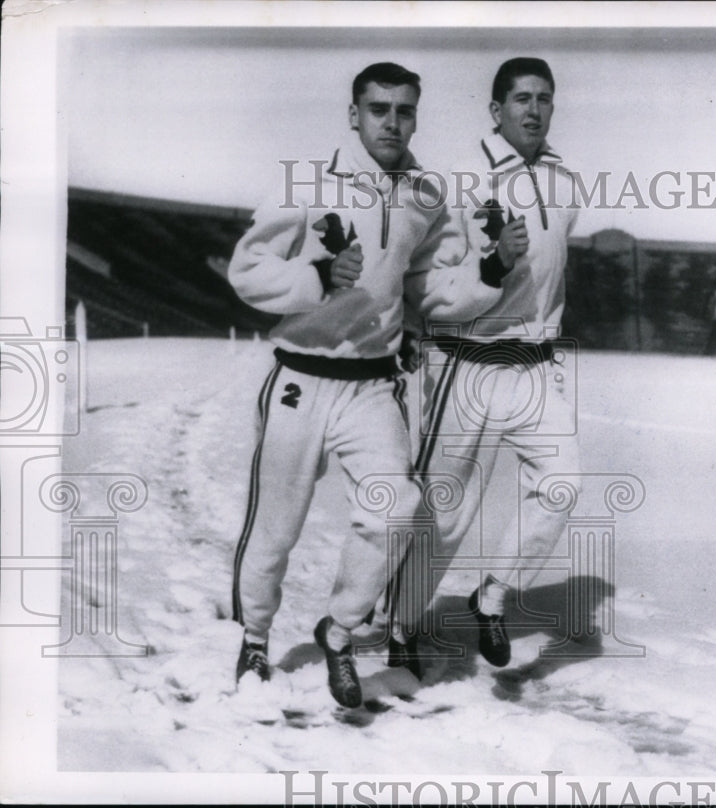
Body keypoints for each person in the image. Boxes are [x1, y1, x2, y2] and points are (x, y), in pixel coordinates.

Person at [228, 62, 444, 708]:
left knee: (394, 508)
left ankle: (340, 630)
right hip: (301, 378)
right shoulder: (308, 182)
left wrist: (415, 326)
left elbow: (417, 277)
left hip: (373, 387)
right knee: (276, 528)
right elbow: (247, 270)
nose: (393, 122)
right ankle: (255, 639)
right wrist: (316, 280)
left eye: (405, 111)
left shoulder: (425, 195)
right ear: (354, 115)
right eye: (379, 109)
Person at [390, 57, 582, 672]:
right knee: (445, 512)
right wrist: (489, 269)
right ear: (496, 110)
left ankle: (490, 597)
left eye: (544, 98)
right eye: (521, 98)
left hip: (533, 365)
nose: (534, 109)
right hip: (463, 363)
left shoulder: (565, 182)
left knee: (559, 487)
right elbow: (426, 281)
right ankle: (400, 628)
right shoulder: (459, 180)